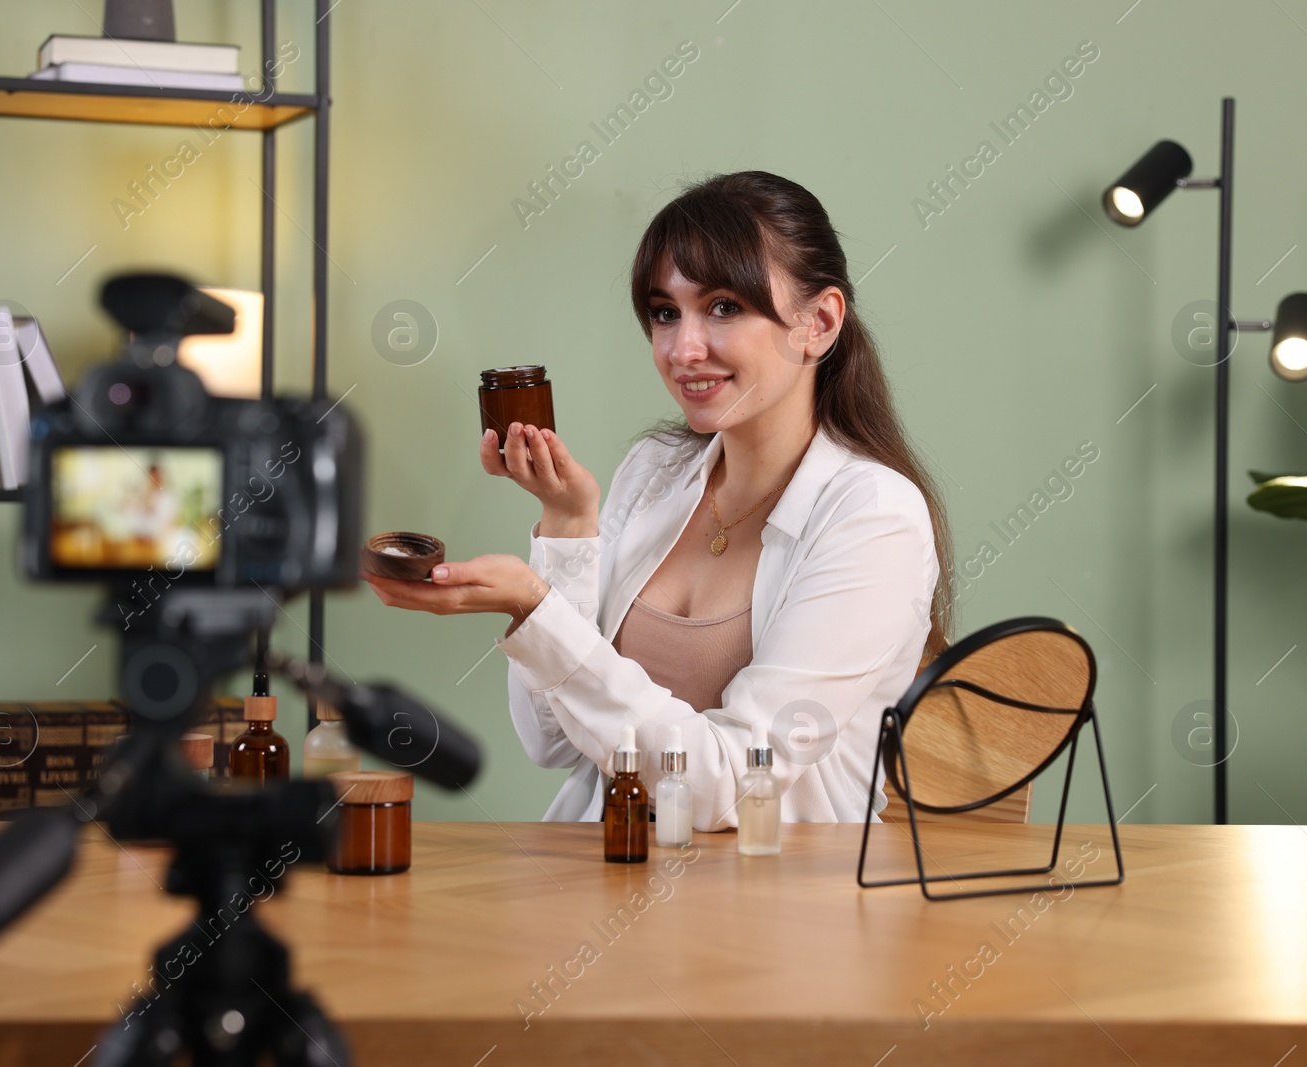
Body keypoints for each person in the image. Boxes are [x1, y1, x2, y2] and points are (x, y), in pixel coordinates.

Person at [363, 170, 955, 831]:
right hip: (607, 877)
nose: (682, 349)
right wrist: (565, 525)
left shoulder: (874, 518)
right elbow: (553, 740)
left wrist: (533, 605)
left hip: (779, 910)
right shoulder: (657, 470)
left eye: (724, 306)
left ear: (818, 322)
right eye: (665, 312)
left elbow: (732, 783)